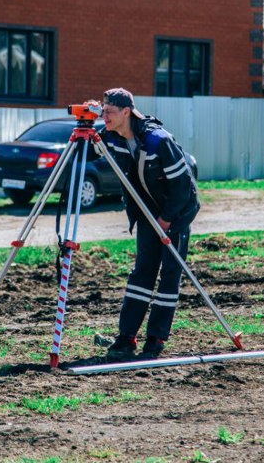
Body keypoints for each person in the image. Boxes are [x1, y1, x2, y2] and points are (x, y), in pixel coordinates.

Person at [98, 88, 200, 360]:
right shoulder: (112, 137)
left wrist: (166, 219)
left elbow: (183, 187)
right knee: (142, 272)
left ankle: (155, 338)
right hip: (146, 213)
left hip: (176, 212)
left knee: (169, 274)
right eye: (101, 110)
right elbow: (89, 152)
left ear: (126, 112)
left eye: (108, 111)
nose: (103, 116)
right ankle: (126, 337)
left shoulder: (158, 140)